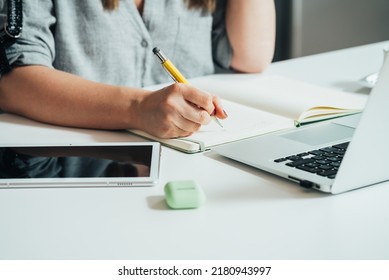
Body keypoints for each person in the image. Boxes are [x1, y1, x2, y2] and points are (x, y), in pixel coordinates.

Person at [0, 0, 276, 138]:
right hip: (85, 166)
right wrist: (138, 109)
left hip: (196, 163)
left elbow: (251, 56)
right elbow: (14, 82)